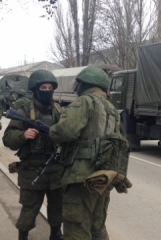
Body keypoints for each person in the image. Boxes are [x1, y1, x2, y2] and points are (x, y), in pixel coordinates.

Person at [49, 66, 119, 240]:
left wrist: (52, 131)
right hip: (103, 176)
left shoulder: (84, 102)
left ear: (84, 84)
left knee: (76, 230)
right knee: (98, 227)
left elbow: (64, 131)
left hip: (80, 178)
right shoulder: (111, 109)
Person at [2, 70, 64, 240]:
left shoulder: (58, 110)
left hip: (56, 168)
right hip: (32, 170)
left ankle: (56, 234)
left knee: (57, 207)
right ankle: (23, 236)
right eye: (43, 87)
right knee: (29, 208)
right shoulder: (23, 110)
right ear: (36, 89)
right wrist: (23, 135)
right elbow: (7, 139)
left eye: (50, 87)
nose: (47, 90)